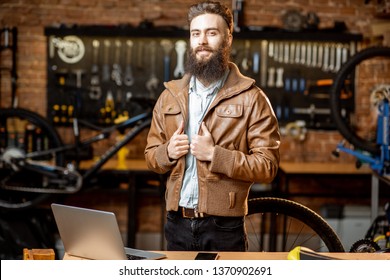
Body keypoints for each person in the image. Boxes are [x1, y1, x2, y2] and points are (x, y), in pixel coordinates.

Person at [144, 1, 280, 252]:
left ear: (228, 39)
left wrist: (215, 155)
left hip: (224, 226)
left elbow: (267, 166)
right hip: (176, 222)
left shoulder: (251, 98)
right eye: (196, 33)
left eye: (211, 33)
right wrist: (168, 152)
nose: (202, 40)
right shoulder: (170, 96)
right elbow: (152, 157)